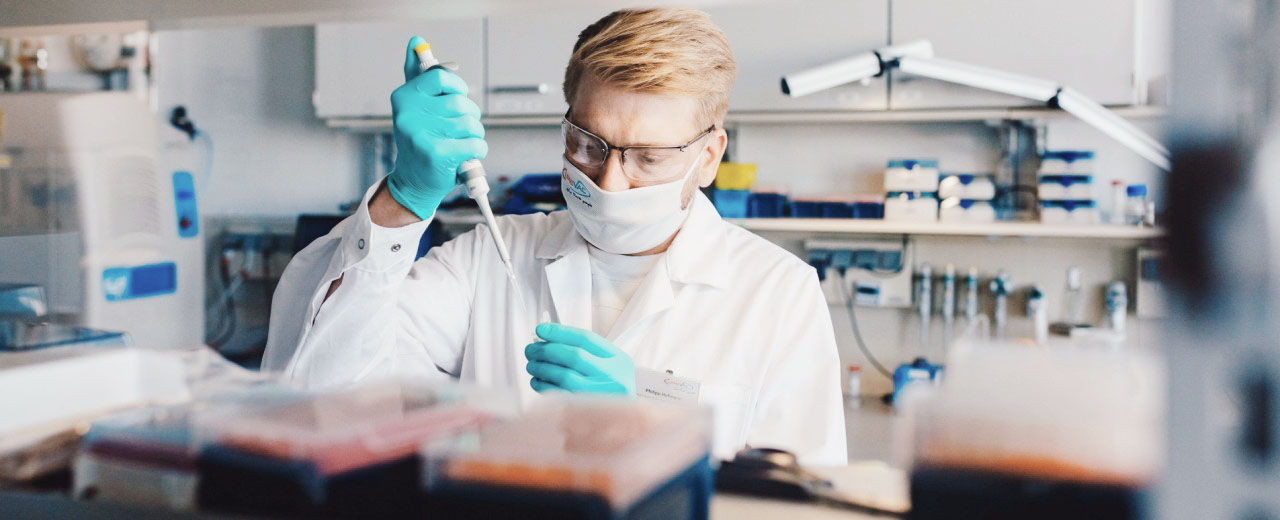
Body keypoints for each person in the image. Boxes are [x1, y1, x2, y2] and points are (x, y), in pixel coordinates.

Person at [263, 8, 846, 465]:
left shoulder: (777, 293)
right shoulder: (489, 257)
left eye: (648, 157)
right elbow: (320, 400)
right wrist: (403, 199)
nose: (611, 182)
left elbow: (803, 496)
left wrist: (655, 429)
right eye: (588, 145)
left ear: (710, 155)